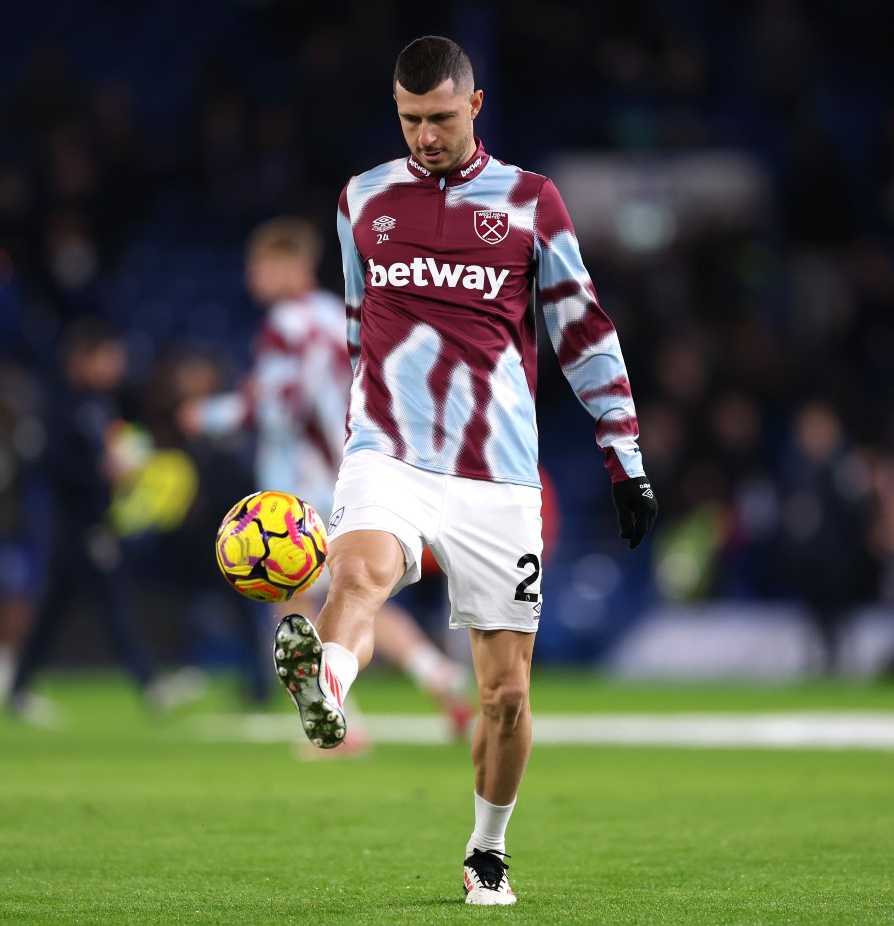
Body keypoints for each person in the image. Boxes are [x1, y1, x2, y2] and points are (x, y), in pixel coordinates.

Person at [270, 36, 658, 906]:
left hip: (497, 475)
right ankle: (327, 682)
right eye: (410, 120)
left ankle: (488, 848)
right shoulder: (361, 200)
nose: (425, 135)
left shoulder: (529, 202)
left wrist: (624, 457)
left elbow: (582, 330)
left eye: (441, 118)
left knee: (507, 697)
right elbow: (354, 322)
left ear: (474, 107)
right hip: (388, 451)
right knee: (359, 574)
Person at [182, 217, 475, 740]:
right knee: (357, 591)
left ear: (291, 265)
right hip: (359, 472)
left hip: (300, 488)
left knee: (286, 600)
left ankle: (338, 726)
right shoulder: (339, 315)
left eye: (264, 264)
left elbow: (278, 407)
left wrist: (208, 416)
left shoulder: (286, 325)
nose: (254, 275)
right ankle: (438, 674)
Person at [7, 316, 173, 722]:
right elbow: (48, 461)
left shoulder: (101, 403)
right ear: (83, 358)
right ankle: (149, 682)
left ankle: (18, 689)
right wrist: (98, 469)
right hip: (77, 524)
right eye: (108, 357)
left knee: (54, 609)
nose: (116, 365)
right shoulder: (60, 401)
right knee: (112, 603)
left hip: (91, 520)